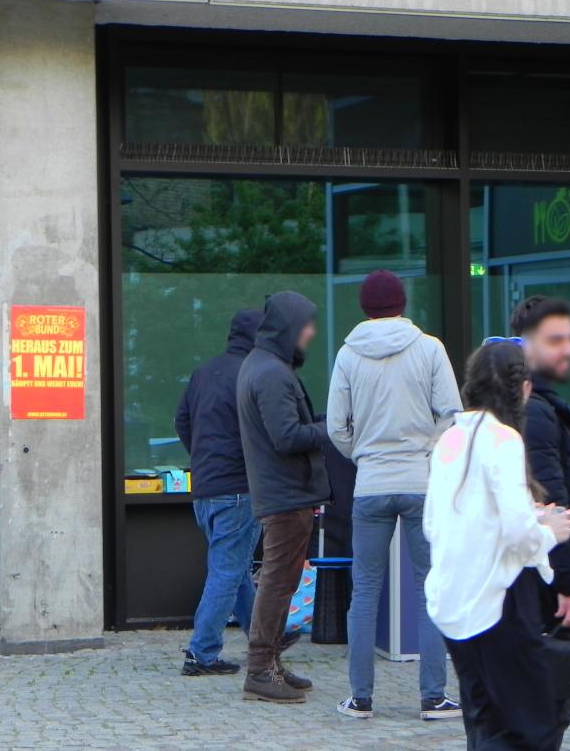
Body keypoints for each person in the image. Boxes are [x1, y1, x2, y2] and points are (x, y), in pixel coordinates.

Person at [425, 341, 570, 750]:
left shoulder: (451, 439)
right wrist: (550, 531)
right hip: (500, 600)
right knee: (530, 726)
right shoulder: (505, 440)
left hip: (453, 599)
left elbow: (437, 523)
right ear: (523, 388)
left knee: (485, 718)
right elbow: (517, 534)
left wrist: (532, 519)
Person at [326, 270, 463, 721]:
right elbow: (451, 414)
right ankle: (433, 697)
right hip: (421, 484)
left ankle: (360, 698)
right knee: (429, 588)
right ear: (403, 303)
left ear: (363, 306)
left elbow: (336, 428)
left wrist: (363, 456)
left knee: (364, 591)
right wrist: (427, 452)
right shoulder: (429, 348)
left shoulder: (348, 355)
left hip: (370, 486)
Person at [237, 291, 331, 703]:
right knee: (278, 580)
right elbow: (287, 436)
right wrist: (333, 428)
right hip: (285, 494)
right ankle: (260, 669)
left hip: (283, 491)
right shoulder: (271, 373)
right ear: (289, 327)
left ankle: (269, 663)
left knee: (282, 579)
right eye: (306, 324)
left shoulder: (262, 365)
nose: (310, 332)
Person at [176, 309, 264, 676]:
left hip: (205, 487)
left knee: (234, 566)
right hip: (239, 487)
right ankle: (202, 652)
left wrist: (202, 457)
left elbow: (181, 421)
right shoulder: (252, 374)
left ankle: (265, 635)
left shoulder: (203, 372)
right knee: (227, 570)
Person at [512, 296, 570, 746]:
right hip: (550, 577)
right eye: (555, 340)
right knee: (549, 699)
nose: (566, 350)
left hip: (549, 571)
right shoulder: (535, 411)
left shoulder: (547, 406)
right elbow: (552, 499)